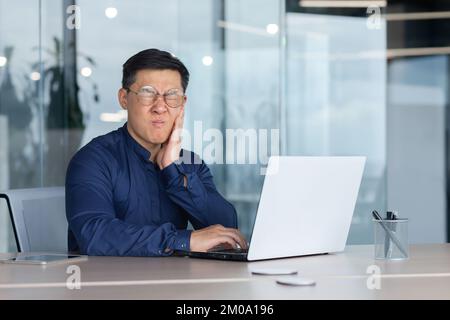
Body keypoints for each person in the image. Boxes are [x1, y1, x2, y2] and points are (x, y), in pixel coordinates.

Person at [65, 48, 247, 256]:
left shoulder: (188, 163)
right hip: (109, 284)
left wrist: (174, 172)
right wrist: (183, 240)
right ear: (124, 98)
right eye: (147, 93)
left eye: (172, 96)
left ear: (183, 104)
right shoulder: (93, 160)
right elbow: (95, 235)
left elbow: (225, 229)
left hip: (174, 284)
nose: (160, 107)